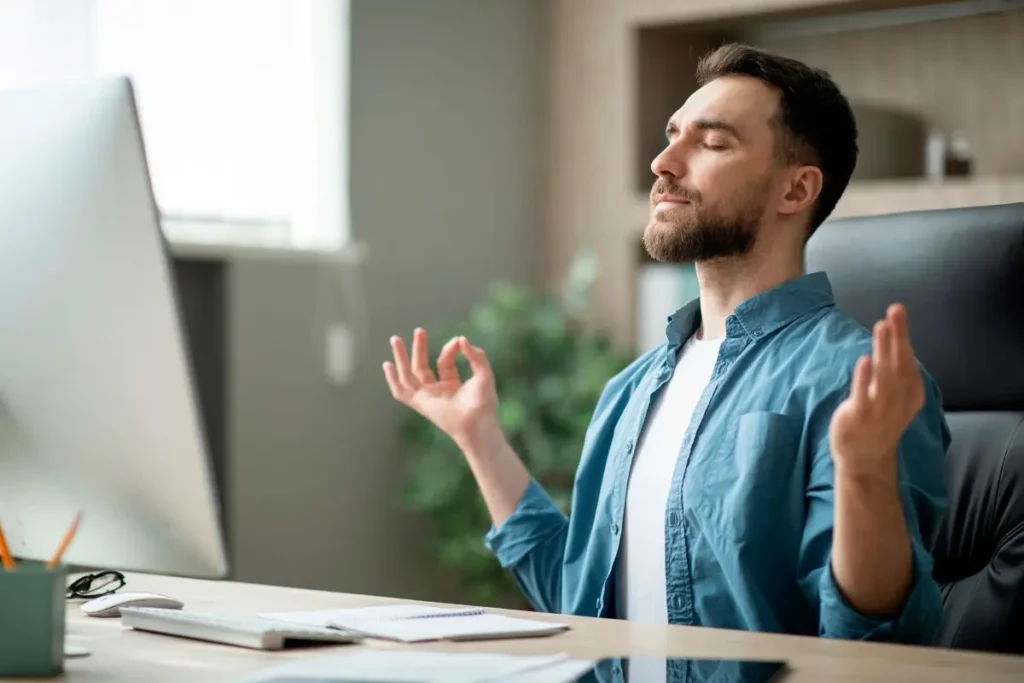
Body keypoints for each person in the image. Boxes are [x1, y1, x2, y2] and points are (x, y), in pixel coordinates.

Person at [382, 44, 949, 650]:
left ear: (796, 190)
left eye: (712, 143)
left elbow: (875, 645)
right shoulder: (630, 389)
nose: (662, 162)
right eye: (672, 135)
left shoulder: (857, 381)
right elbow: (579, 602)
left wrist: (863, 476)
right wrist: (479, 437)